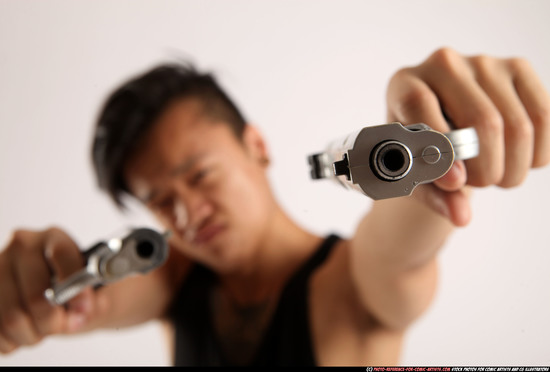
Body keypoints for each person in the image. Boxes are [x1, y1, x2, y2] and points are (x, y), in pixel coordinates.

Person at [0, 47, 548, 366]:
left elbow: (400, 245)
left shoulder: (352, 288)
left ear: (256, 147)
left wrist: (435, 140)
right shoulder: (174, 282)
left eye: (199, 175)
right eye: (161, 202)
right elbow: (89, 301)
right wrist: (34, 295)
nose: (187, 214)